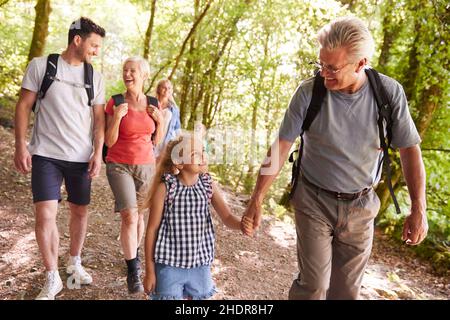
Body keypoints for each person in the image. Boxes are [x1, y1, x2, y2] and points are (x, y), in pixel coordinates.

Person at [243, 16, 428, 300]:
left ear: (361, 63)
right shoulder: (309, 92)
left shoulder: (389, 95)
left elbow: (409, 150)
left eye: (332, 68)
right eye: (320, 65)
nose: (324, 73)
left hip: (361, 206)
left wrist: (419, 208)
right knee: (313, 285)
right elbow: (280, 146)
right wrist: (256, 198)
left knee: (346, 293)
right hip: (313, 199)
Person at [13, 17, 106, 300]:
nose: (96, 51)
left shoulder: (94, 77)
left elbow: (99, 120)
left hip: (80, 157)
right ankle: (52, 276)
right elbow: (23, 107)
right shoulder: (42, 66)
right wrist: (20, 145)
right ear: (77, 40)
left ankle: (74, 262)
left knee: (80, 211)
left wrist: (97, 152)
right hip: (45, 155)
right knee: (45, 214)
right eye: (94, 45)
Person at [143, 133, 253, 300]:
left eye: (203, 150)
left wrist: (241, 224)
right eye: (195, 154)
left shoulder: (207, 184)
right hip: (168, 265)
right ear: (179, 162)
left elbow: (227, 216)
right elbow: (152, 230)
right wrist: (150, 271)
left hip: (200, 265)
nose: (203, 156)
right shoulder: (166, 188)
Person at [104, 56, 163, 294]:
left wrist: (161, 123)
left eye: (133, 71)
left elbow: (157, 142)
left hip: (146, 165)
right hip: (119, 164)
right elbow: (109, 141)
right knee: (129, 215)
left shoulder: (153, 103)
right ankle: (132, 271)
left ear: (144, 75)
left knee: (139, 217)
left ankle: (133, 255)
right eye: (124, 70)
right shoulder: (115, 102)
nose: (127, 74)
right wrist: (117, 117)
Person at [153, 79, 181, 159]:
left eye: (169, 88)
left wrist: (180, 143)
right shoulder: (151, 104)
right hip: (152, 141)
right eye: (164, 87)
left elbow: (177, 128)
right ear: (158, 89)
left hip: (166, 142)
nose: (166, 90)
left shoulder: (174, 108)